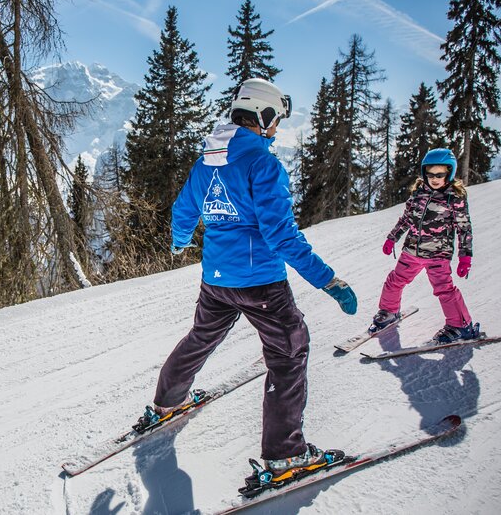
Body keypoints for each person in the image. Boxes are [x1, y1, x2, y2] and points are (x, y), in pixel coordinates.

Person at [134, 78, 357, 481]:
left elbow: (184, 209)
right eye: (276, 121)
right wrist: (329, 281)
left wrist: (180, 242)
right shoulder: (263, 164)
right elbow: (281, 236)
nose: (276, 129)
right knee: (289, 351)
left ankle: (167, 403)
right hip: (260, 283)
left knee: (202, 335)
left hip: (216, 278)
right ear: (264, 115)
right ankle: (286, 454)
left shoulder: (208, 161)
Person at [371, 148, 479, 343]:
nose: (434, 178)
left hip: (438, 255)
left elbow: (464, 228)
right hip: (412, 250)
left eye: (440, 174)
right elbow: (406, 219)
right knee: (395, 280)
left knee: (444, 290)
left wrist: (465, 257)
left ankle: (460, 325)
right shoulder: (418, 194)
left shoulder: (453, 197)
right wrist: (392, 238)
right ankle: (388, 311)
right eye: (430, 173)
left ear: (450, 172)